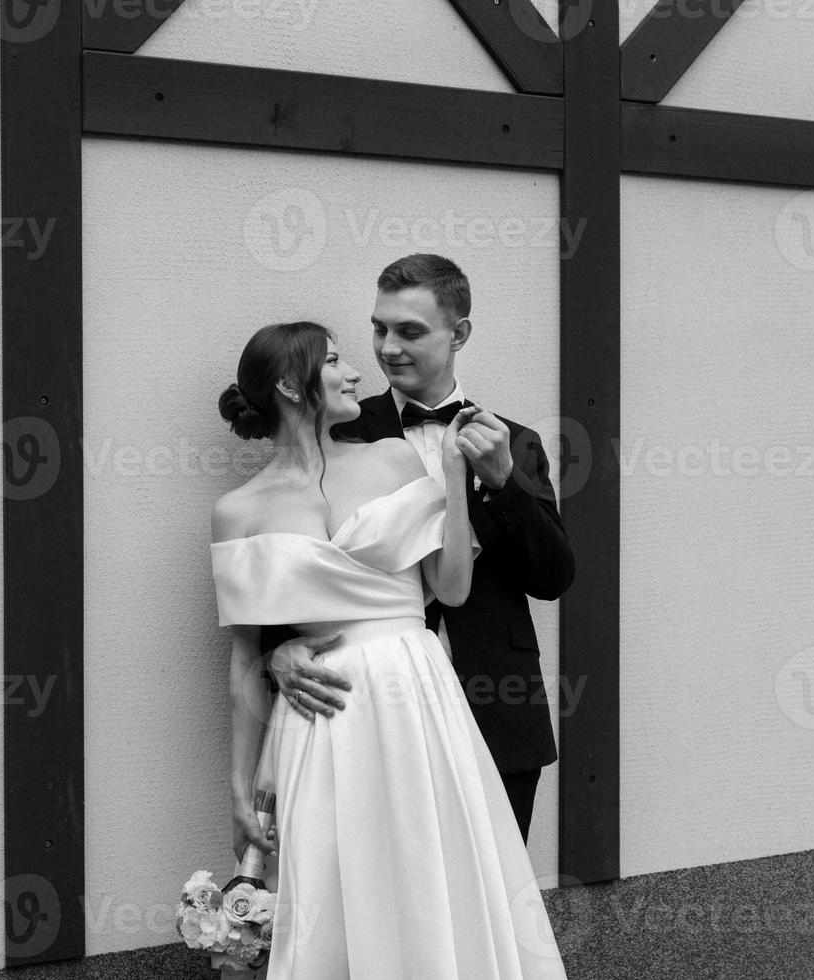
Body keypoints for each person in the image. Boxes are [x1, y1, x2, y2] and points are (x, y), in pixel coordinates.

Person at [212, 320, 567, 978]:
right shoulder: (238, 511)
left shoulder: (395, 460)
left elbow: (453, 590)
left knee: (433, 874)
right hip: (320, 719)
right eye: (337, 361)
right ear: (291, 384)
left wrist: (457, 479)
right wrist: (237, 788)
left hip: (418, 699)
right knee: (336, 887)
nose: (356, 372)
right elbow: (244, 658)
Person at [265, 254, 574, 841]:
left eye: (409, 331)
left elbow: (553, 578)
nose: (386, 347)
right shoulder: (339, 430)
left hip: (496, 709)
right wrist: (278, 652)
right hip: (371, 715)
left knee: (497, 908)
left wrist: (505, 482)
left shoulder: (517, 441)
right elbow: (294, 562)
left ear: (458, 335)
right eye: (379, 328)